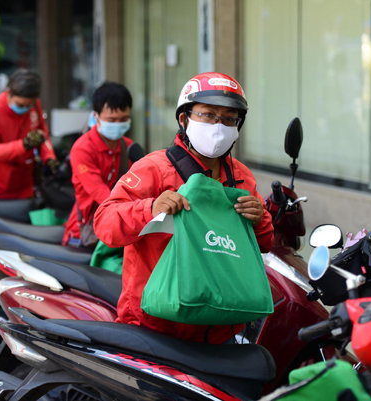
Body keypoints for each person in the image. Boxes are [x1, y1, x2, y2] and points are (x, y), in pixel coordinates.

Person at [93, 72, 274, 344]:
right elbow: (105, 223)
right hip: (157, 324)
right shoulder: (153, 168)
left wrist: (259, 219)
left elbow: (264, 243)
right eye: (208, 115)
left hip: (220, 326)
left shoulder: (241, 176)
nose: (218, 126)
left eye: (229, 119)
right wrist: (150, 208)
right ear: (184, 118)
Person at [63, 82, 133, 247]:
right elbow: (100, 193)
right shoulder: (83, 148)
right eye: (111, 120)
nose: (117, 124)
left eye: (124, 119)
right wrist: (137, 210)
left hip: (115, 227)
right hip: (85, 233)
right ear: (96, 117)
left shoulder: (128, 146)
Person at [0, 69, 57, 199]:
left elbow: (43, 134)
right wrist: (24, 145)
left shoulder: (34, 104)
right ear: (9, 92)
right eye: (20, 105)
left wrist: (49, 158)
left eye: (29, 105)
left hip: (23, 186)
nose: (25, 109)